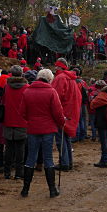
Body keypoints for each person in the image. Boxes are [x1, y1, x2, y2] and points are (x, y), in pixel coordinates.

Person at [19, 69, 64, 197]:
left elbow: (22, 112)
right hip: (48, 129)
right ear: (50, 79)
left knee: (30, 158)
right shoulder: (51, 92)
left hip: (33, 128)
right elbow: (58, 112)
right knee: (48, 158)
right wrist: (61, 123)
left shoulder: (27, 91)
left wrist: (32, 120)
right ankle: (52, 190)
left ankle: (25, 190)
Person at [51, 58, 81, 171]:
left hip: (62, 113)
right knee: (66, 138)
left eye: (56, 66)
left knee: (61, 139)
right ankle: (68, 162)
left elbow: (55, 97)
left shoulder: (60, 78)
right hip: (70, 112)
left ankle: (64, 163)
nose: (54, 68)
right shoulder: (72, 79)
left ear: (59, 67)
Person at [2, 66, 29, 179]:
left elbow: (3, 100)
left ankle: (7, 172)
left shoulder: (7, 87)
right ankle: (19, 172)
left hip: (9, 119)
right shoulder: (27, 87)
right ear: (22, 74)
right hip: (22, 121)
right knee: (20, 149)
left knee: (9, 147)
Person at [91, 83, 107, 168]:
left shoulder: (100, 97)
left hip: (101, 121)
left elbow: (92, 105)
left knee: (104, 142)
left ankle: (104, 160)